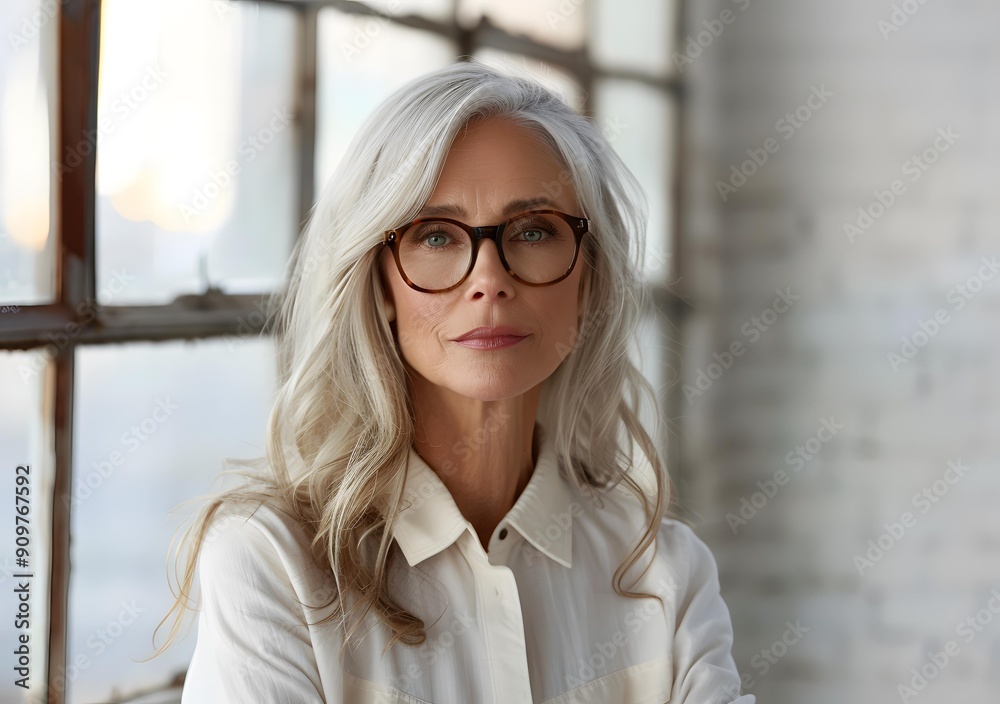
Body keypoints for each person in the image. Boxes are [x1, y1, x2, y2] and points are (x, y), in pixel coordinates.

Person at [152, 59, 755, 704]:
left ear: (589, 279)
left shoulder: (667, 572)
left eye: (533, 231)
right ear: (379, 282)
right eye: (436, 235)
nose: (489, 278)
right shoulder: (273, 563)